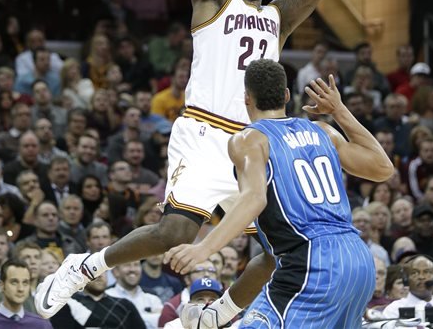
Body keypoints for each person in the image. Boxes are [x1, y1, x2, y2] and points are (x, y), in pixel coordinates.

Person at [35, 0, 326, 320]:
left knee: (280, 252)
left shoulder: (278, 17)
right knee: (174, 231)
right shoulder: (212, 1)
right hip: (206, 131)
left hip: (251, 143)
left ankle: (220, 314)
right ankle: (86, 266)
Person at [165, 59, 394, 328]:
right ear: (286, 95)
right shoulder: (323, 130)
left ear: (246, 98)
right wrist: (340, 111)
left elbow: (254, 198)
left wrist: (204, 247)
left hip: (310, 261)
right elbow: (383, 168)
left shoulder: (249, 139)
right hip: (359, 259)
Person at [381, 255, 433, 324]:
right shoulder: (394, 310)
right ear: (406, 279)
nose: (421, 277)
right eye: (414, 273)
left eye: (427, 272)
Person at [0, 258, 53, 328]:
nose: (20, 289)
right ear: (2, 285)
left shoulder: (42, 325)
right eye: (14, 282)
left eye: (25, 283)